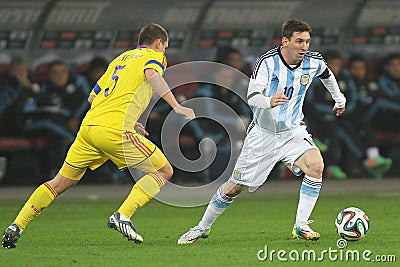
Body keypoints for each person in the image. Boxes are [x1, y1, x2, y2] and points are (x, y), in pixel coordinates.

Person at [2, 23, 195, 249]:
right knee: (164, 171)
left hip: (89, 128)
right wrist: (176, 106)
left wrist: (132, 121)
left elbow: (93, 99)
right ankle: (123, 215)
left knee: (60, 182)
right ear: (159, 43)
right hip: (114, 130)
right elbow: (152, 74)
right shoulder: (154, 56)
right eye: (165, 48)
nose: (164, 53)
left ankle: (17, 225)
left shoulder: (119, 60)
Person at [178, 18, 346, 244]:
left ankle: (301, 225)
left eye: (307, 41)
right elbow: (252, 96)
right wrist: (269, 101)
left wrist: (339, 98)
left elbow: (326, 75)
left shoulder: (313, 62)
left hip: (293, 131)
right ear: (285, 41)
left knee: (316, 166)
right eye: (299, 41)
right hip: (263, 134)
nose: (304, 47)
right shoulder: (267, 63)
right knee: (234, 188)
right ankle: (202, 227)